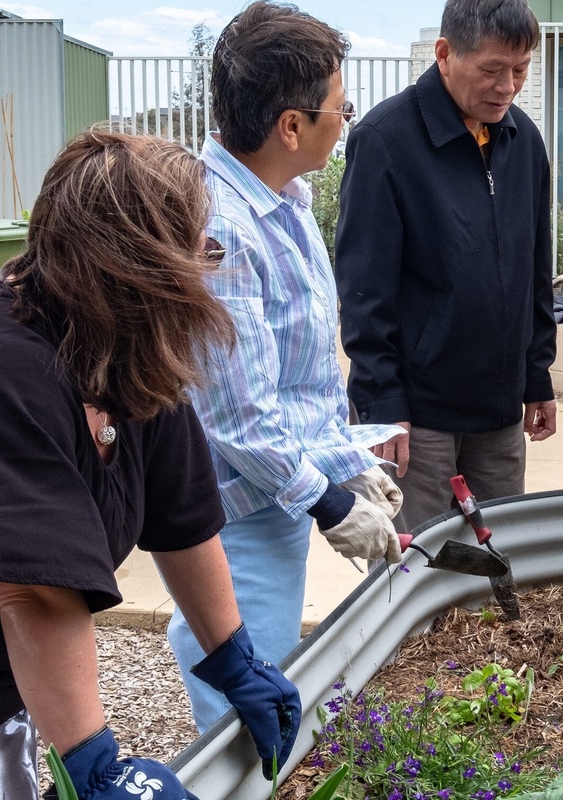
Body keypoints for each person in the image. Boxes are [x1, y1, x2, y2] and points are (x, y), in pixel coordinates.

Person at [0, 131, 299, 799]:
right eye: (196, 249)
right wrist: (98, 762)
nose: (207, 266)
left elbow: (181, 515)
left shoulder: (123, 351)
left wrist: (234, 658)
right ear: (140, 264)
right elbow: (30, 589)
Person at [170, 0, 406, 733]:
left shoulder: (286, 198)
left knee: (259, 674)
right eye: (341, 106)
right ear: (291, 125)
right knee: (244, 698)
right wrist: (331, 504)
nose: (348, 119)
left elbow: (296, 382)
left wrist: (345, 462)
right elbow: (239, 420)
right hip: (239, 509)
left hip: (277, 494)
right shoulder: (224, 231)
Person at [335, 0, 557, 527]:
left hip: (499, 414)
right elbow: (364, 288)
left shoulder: (524, 141)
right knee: (416, 574)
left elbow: (535, 268)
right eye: (491, 70)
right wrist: (382, 404)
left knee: (498, 561)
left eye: (520, 70)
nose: (507, 86)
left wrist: (537, 375)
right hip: (417, 418)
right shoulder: (385, 140)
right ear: (444, 54)